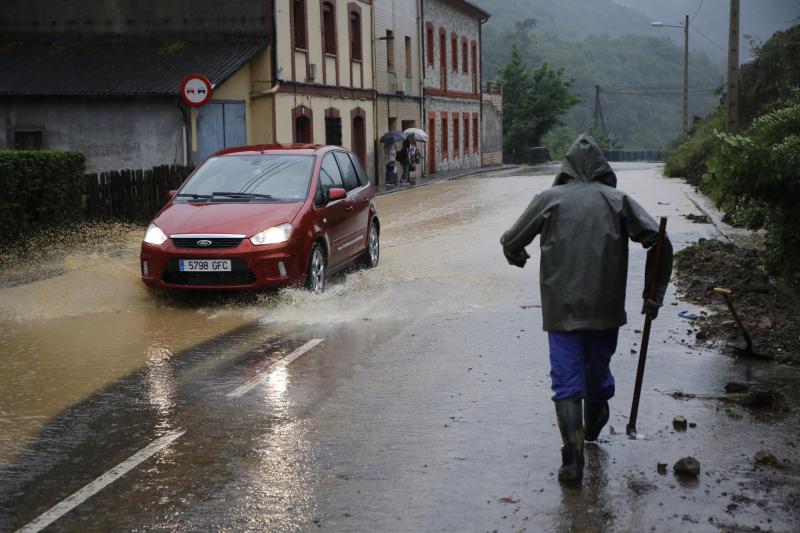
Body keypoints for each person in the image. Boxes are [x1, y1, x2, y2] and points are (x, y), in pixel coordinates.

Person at [499, 133, 673, 486]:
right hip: (605, 311)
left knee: (566, 382)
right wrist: (652, 295)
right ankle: (583, 441)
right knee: (595, 374)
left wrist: (518, 256)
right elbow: (660, 241)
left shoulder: (548, 199)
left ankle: (574, 455)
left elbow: (511, 240)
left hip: (561, 312)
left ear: (566, 169)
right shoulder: (618, 200)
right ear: (601, 168)